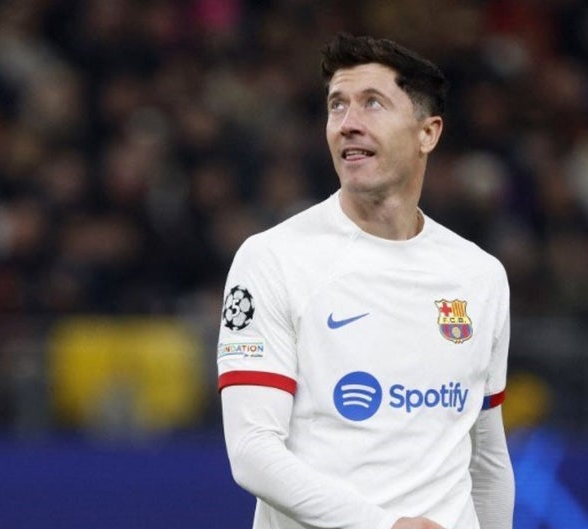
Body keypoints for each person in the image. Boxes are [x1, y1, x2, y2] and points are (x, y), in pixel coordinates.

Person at [217, 33, 514, 529]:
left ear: (427, 133)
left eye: (372, 103)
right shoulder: (272, 259)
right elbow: (252, 451)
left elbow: (486, 458)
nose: (348, 123)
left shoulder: (479, 275)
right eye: (337, 105)